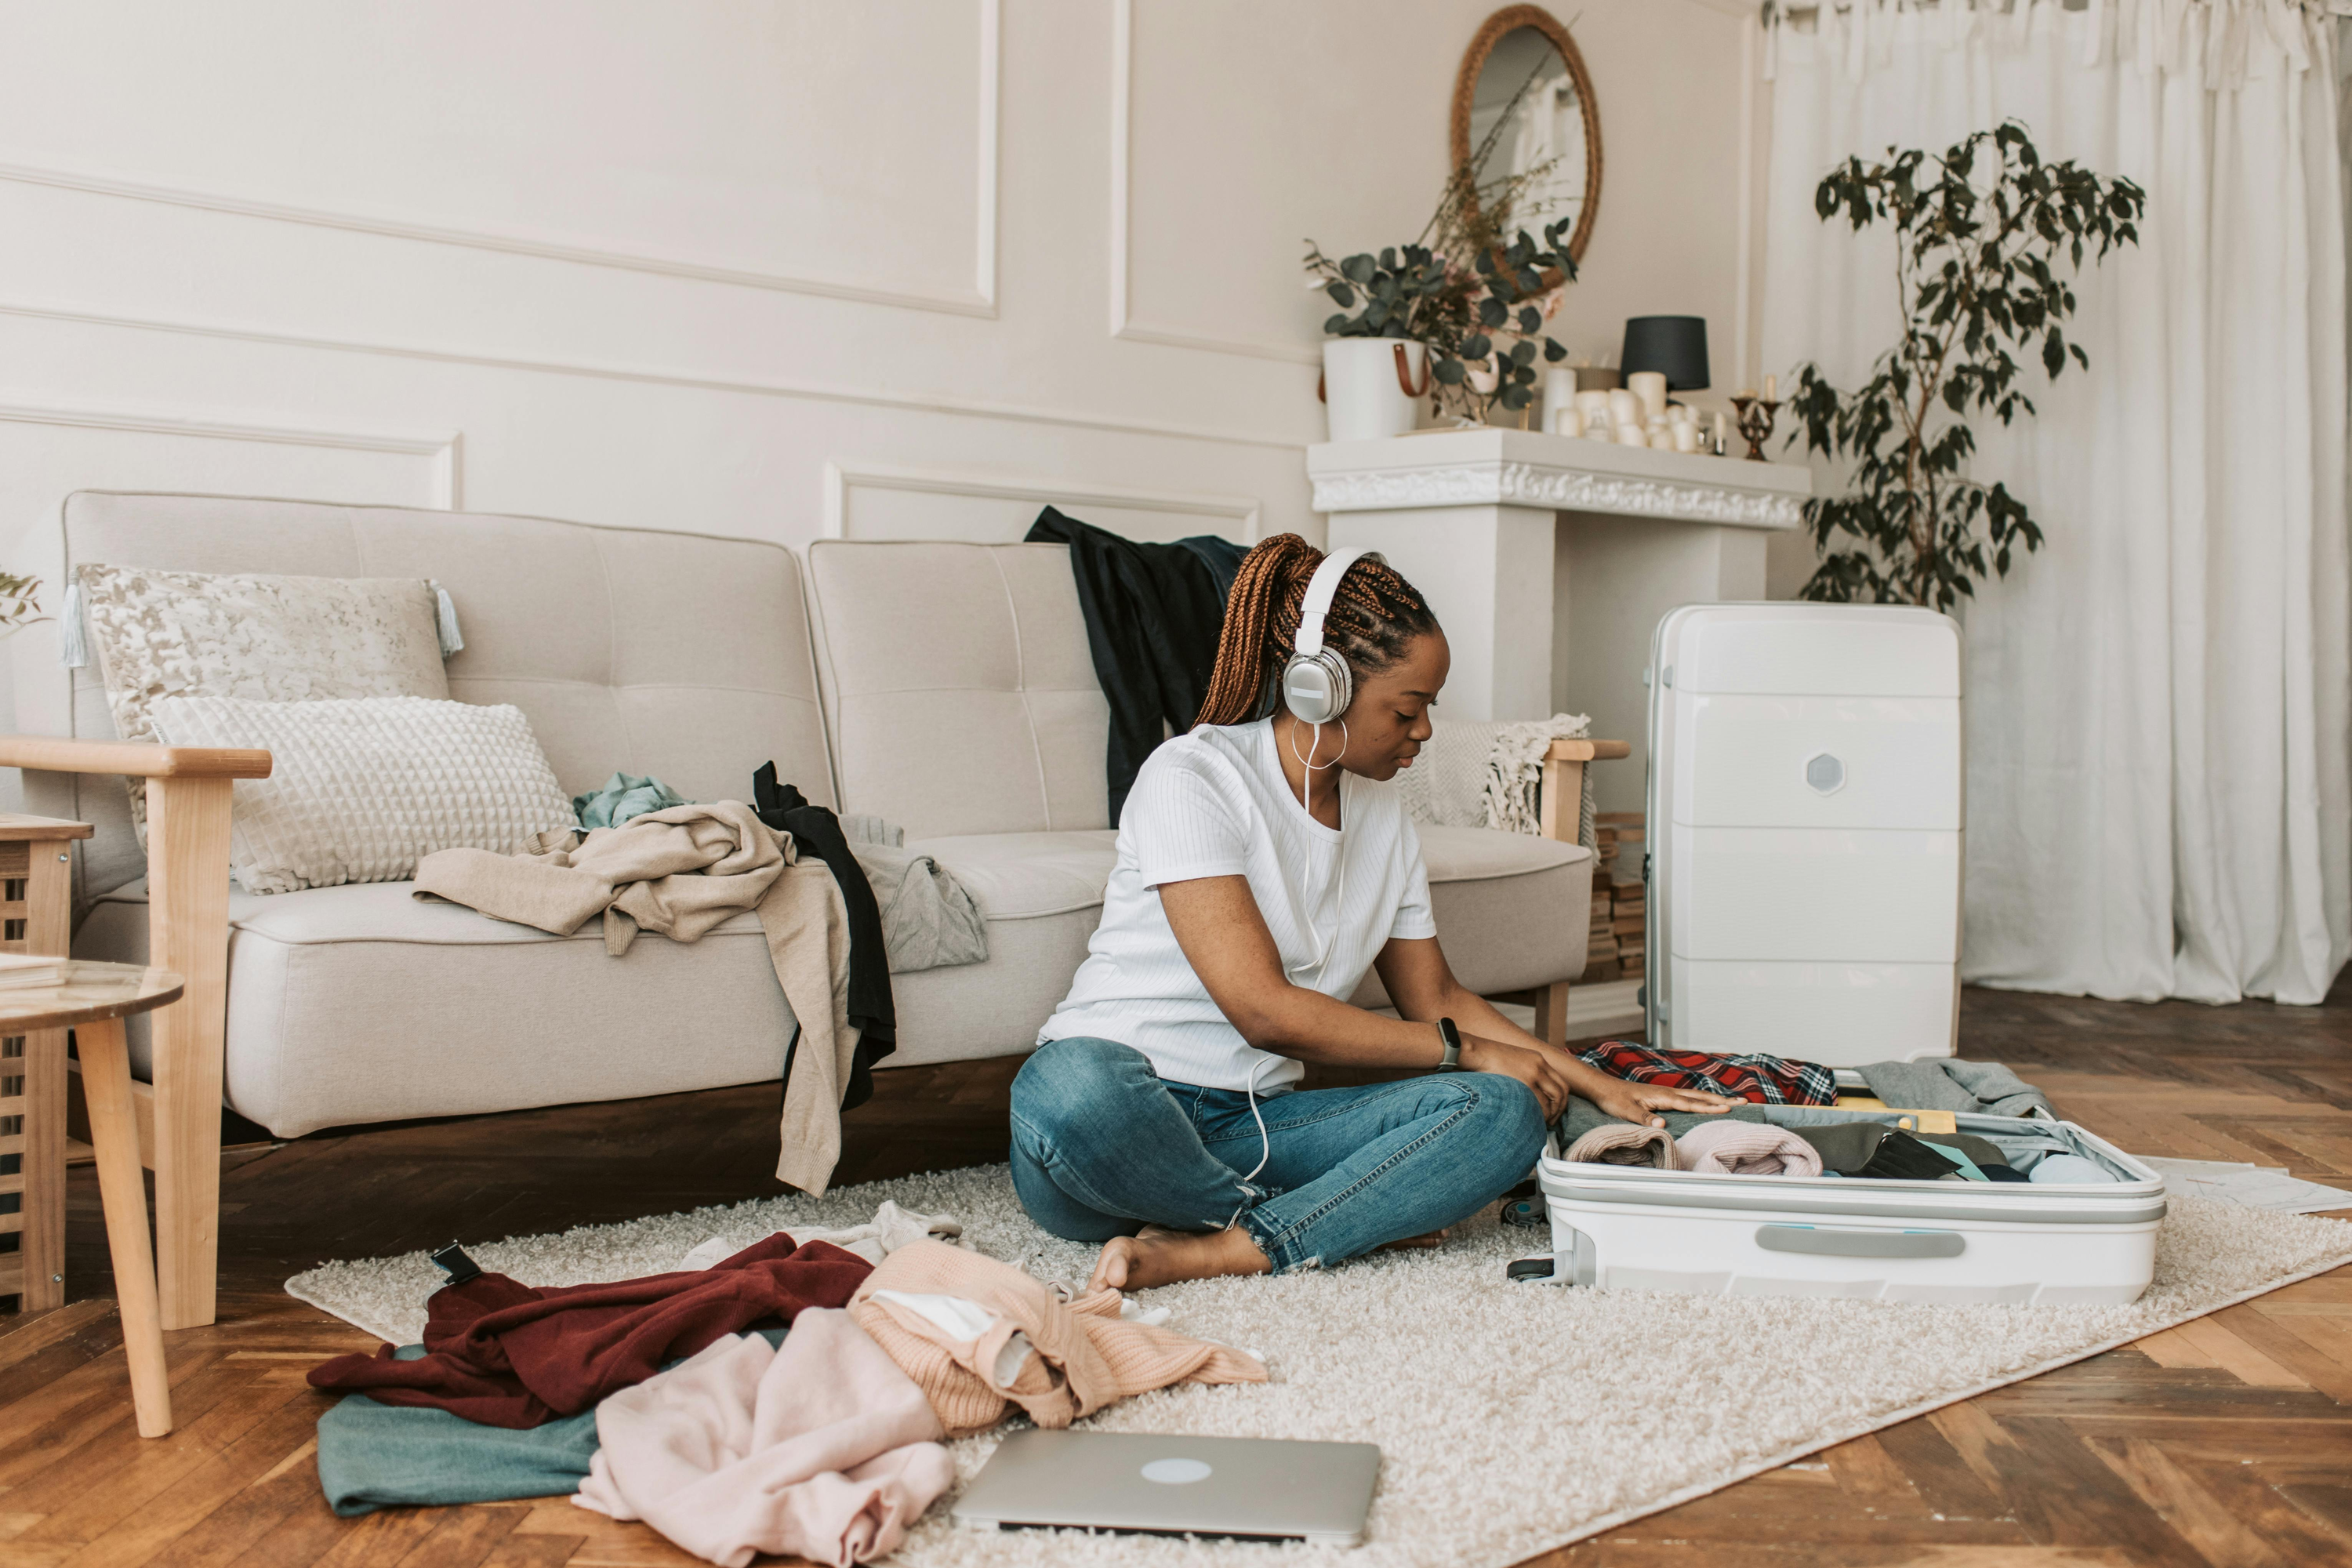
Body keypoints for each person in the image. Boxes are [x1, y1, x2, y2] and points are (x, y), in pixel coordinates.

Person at [1009, 535, 1731, 1291]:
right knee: (1068, 1084)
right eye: (1409, 708)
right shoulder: (1193, 776)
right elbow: (1265, 1013)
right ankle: (1316, 1219)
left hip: (1258, 1126)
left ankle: (1225, 1242)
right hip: (1117, 1123)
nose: (1423, 731)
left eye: (1430, 709)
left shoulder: (1382, 814)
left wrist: (1585, 1080)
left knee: (1501, 1112)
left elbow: (1440, 1000)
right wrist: (1468, 1051)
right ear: (1320, 689)